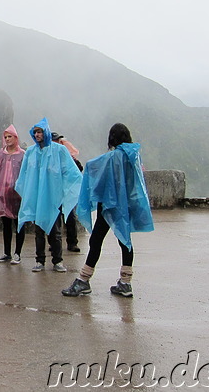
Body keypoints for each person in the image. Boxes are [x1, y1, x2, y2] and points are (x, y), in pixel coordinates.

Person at [62, 124, 154, 298]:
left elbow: (93, 167)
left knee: (96, 240)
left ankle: (83, 280)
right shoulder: (134, 156)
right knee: (125, 241)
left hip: (109, 205)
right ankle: (125, 282)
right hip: (125, 204)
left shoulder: (114, 157)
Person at [15, 118, 82, 274]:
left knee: (55, 230)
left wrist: (65, 191)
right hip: (38, 198)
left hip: (53, 197)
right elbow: (24, 174)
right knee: (39, 231)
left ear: (45, 132)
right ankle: (40, 260)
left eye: (40, 131)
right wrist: (26, 192)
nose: (37, 135)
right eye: (35, 132)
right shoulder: (31, 152)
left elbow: (70, 172)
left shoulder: (59, 151)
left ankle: (57, 260)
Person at [0, 125, 26, 264]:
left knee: (19, 224)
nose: (8, 139)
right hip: (3, 196)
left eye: (10, 136)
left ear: (16, 138)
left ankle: (17, 253)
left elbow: (27, 173)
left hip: (18, 196)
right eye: (6, 137)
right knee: (6, 225)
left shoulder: (22, 155)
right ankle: (7, 253)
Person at [52, 131, 84, 252]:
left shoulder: (67, 156)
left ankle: (72, 242)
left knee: (70, 217)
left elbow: (79, 168)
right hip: (55, 192)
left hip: (67, 193)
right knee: (54, 219)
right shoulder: (48, 157)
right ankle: (54, 243)